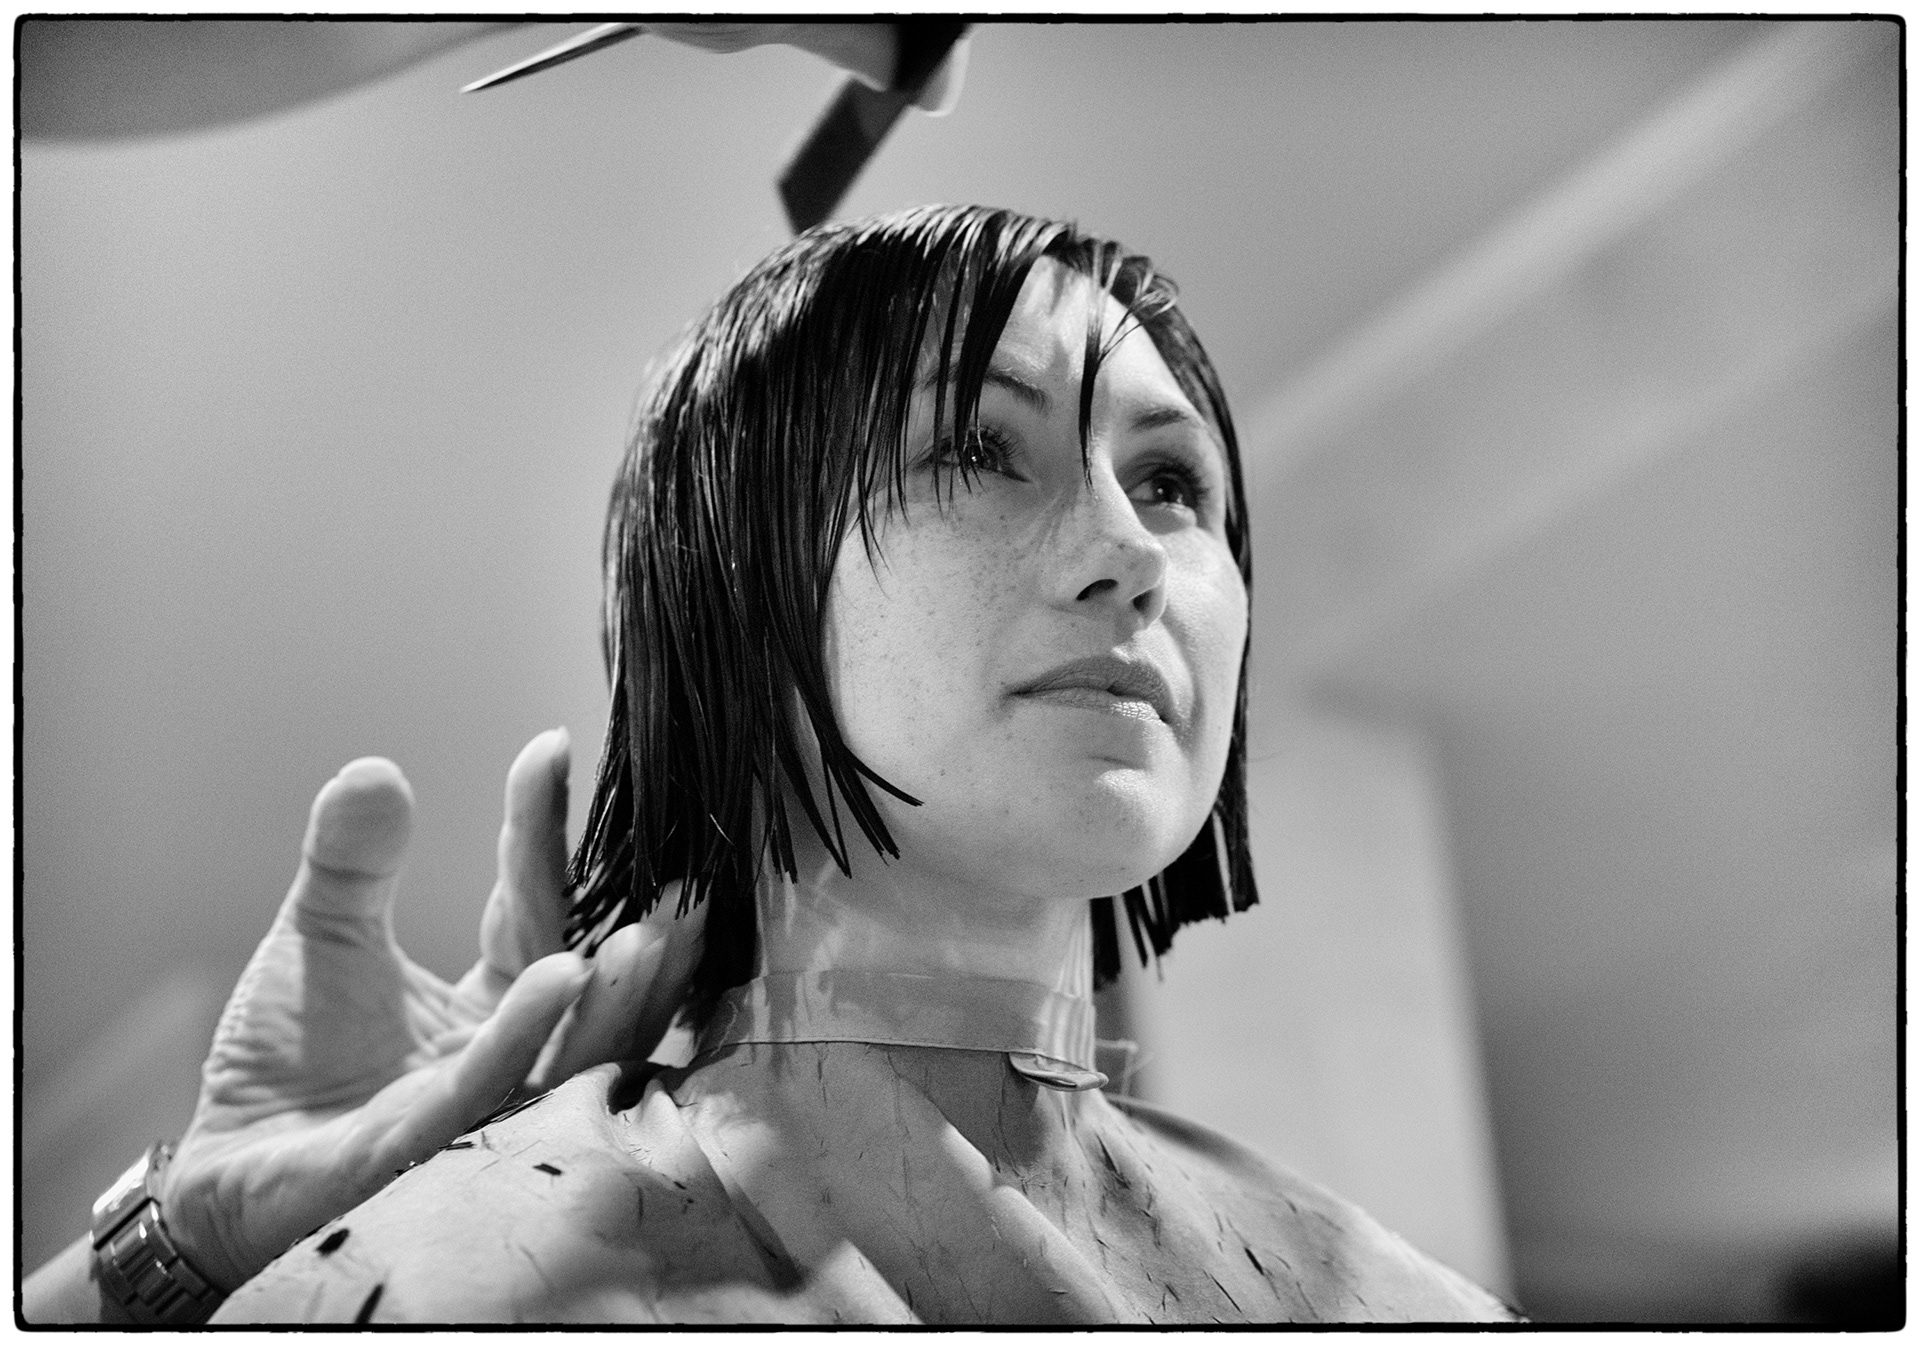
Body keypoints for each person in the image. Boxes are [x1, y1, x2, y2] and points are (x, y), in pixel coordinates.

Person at [38, 204, 1518, 1324]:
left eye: (1174, 481)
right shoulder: (474, 1275)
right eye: (981, 449)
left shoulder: (1402, 1306)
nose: (1132, 553)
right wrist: (193, 1246)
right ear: (735, 588)